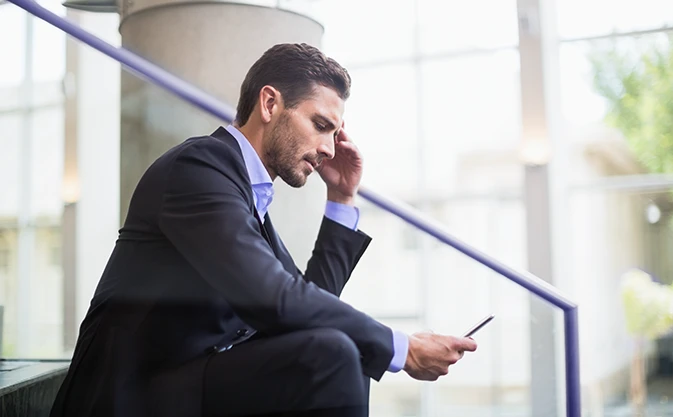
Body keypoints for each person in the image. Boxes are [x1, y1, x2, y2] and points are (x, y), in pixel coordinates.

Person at [50, 43, 477, 417]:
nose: (329, 148)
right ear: (270, 104)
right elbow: (276, 298)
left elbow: (305, 310)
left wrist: (342, 200)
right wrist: (401, 348)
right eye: (321, 125)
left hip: (184, 383)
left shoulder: (250, 197)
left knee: (334, 348)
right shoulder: (198, 169)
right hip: (129, 395)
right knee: (333, 355)